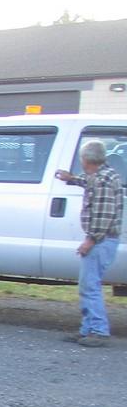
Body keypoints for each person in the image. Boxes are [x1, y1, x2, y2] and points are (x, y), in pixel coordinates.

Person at [55, 140, 123, 347]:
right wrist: (72, 179)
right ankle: (87, 330)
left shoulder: (102, 181)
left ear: (85, 160)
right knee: (88, 285)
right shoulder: (104, 174)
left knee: (90, 286)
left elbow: (104, 215)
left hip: (100, 241)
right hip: (105, 240)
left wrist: (90, 240)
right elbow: (88, 181)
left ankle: (98, 331)